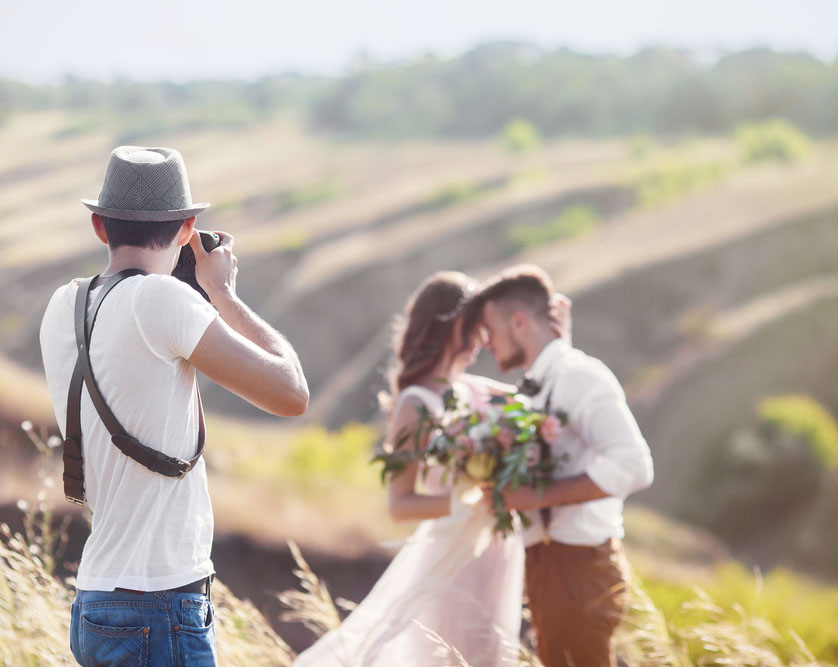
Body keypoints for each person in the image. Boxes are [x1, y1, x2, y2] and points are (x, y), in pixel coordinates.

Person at [39, 146, 309, 666]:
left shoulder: (63, 304)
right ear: (188, 230)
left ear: (99, 227)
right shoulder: (164, 302)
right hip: (158, 600)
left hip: (95, 595)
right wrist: (222, 292)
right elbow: (291, 392)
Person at [294, 271, 532, 667]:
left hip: (495, 549)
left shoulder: (474, 389)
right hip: (450, 555)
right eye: (476, 327)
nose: (484, 340)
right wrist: (462, 499)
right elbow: (401, 505)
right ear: (453, 324)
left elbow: (536, 402)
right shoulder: (414, 405)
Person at [470, 264, 654, 667]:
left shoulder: (580, 377)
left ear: (519, 322)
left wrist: (534, 496)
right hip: (553, 565)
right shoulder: (543, 383)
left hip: (576, 567)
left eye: (489, 329)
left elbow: (635, 465)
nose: (485, 342)